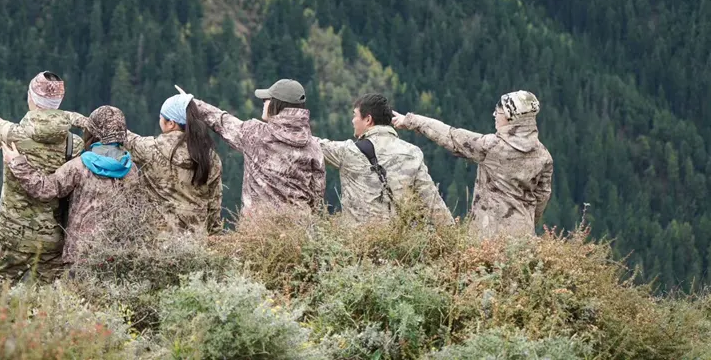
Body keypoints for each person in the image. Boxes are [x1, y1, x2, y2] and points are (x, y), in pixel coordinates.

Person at [0, 71, 91, 283]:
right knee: (51, 305)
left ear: (31, 98)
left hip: (13, 236)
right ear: (59, 101)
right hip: (53, 239)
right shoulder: (74, 144)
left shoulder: (13, 135)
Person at [392, 90, 553, 239]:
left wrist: (410, 120)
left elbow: (451, 136)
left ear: (512, 118)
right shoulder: (544, 156)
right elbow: (542, 197)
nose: (495, 115)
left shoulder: (492, 147)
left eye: (499, 112)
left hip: (488, 235)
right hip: (524, 235)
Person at [0, 105, 138, 267]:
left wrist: (17, 162)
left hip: (80, 255)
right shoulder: (131, 169)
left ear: (93, 134)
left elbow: (45, 190)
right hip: (117, 254)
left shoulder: (79, 166)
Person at [189, 79, 325, 216]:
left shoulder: (255, 134)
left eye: (266, 99)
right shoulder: (313, 146)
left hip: (258, 230)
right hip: (299, 230)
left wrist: (194, 104)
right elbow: (317, 196)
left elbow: (222, 121)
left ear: (277, 104)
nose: (263, 102)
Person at [317, 93, 452, 226]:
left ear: (368, 119)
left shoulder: (348, 152)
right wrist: (456, 241)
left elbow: (311, 144)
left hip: (357, 244)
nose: (353, 120)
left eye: (355, 115)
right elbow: (434, 205)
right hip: (399, 245)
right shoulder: (413, 153)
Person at [124, 93, 223, 235]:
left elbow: (122, 135)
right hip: (197, 246)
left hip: (156, 244)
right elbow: (214, 208)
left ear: (171, 123)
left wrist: (84, 121)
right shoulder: (210, 157)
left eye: (161, 117)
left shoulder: (150, 149)